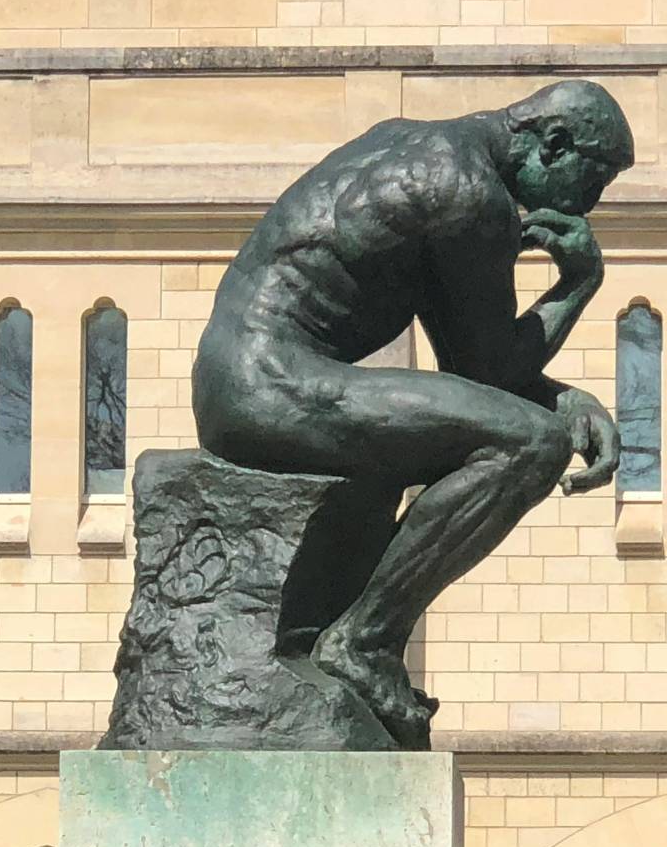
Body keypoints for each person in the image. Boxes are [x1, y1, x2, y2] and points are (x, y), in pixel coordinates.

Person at [193, 79, 635, 746]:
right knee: (531, 446)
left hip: (240, 376)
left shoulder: (419, 145)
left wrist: (561, 397)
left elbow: (474, 366)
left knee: (522, 431)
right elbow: (487, 373)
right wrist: (578, 282)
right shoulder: (470, 194)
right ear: (554, 143)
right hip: (271, 382)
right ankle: (364, 642)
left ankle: (358, 635)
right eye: (593, 180)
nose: (587, 205)